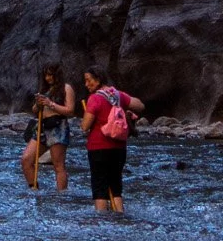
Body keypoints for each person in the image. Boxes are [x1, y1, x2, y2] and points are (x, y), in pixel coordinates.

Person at [80, 66, 144, 213]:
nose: (86, 84)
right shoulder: (118, 95)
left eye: (88, 80)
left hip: (98, 148)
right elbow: (140, 105)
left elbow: (85, 126)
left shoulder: (94, 99)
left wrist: (83, 122)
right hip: (119, 148)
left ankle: (102, 222)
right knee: (116, 186)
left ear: (98, 79)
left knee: (100, 186)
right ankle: (120, 215)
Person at [21, 65, 76, 192]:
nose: (48, 78)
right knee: (26, 159)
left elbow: (70, 110)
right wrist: (38, 105)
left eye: (51, 75)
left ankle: (61, 194)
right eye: (46, 75)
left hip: (58, 127)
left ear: (57, 75)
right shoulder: (44, 90)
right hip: (42, 126)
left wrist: (50, 103)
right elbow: (35, 110)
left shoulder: (66, 88)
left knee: (58, 165)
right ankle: (34, 188)